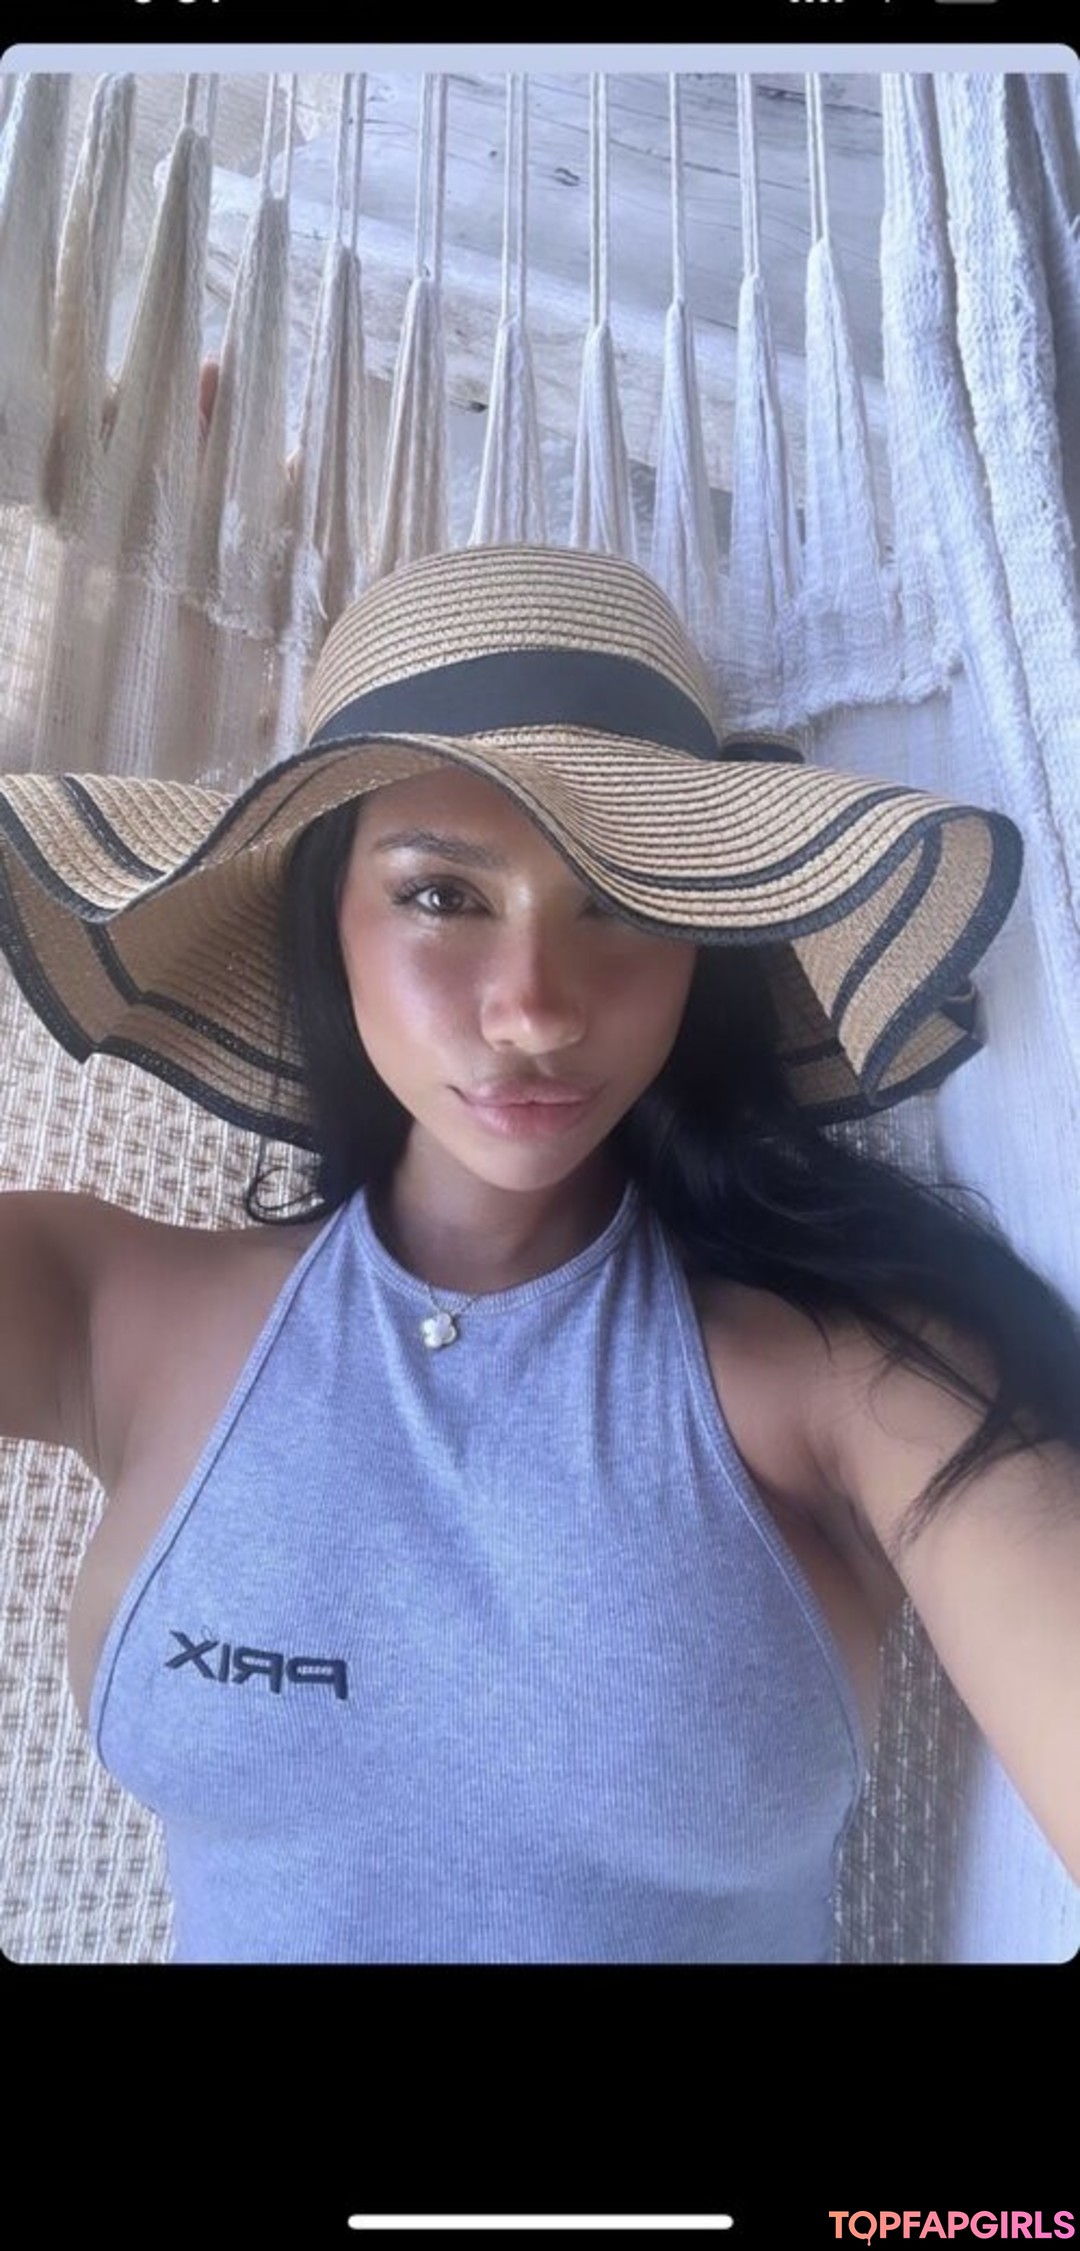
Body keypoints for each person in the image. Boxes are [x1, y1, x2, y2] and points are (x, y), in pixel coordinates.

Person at [0, 540, 1077, 1964]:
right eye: (443, 895)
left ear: (703, 941)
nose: (536, 1009)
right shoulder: (107, 1310)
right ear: (327, 915)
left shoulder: (851, 1382)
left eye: (622, 901)